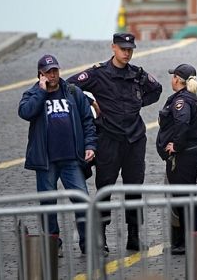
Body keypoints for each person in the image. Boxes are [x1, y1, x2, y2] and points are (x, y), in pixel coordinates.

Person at [66, 32, 162, 252]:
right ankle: (101, 238)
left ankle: (134, 236)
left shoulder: (137, 74)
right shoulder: (98, 74)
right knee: (105, 189)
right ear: (113, 48)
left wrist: (138, 102)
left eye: (130, 49)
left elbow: (156, 90)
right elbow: (70, 86)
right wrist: (91, 102)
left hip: (134, 139)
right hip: (108, 138)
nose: (127, 53)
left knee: (134, 188)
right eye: (123, 49)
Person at [19, 54, 97, 255]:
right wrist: (41, 92)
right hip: (46, 161)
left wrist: (90, 145)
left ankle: (87, 243)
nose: (53, 75)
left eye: (55, 71)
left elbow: (88, 120)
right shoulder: (32, 94)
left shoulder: (72, 92)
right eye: (48, 72)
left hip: (71, 159)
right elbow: (25, 112)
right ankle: (54, 243)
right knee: (48, 205)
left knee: (82, 200)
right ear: (40, 75)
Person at [155, 63, 197, 255]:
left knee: (183, 198)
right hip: (196, 150)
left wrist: (175, 145)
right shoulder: (196, 98)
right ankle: (190, 241)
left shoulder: (182, 101)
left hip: (185, 155)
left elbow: (182, 124)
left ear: (178, 79)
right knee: (188, 197)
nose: (172, 79)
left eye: (173, 77)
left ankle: (188, 243)